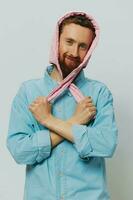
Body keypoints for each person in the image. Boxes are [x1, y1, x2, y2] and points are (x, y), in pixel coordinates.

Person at [7, 11, 118, 200]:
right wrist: (76, 122)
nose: (74, 53)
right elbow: (19, 151)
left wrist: (47, 120)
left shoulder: (99, 93)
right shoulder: (29, 92)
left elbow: (107, 144)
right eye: (69, 42)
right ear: (56, 41)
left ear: (90, 50)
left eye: (83, 46)